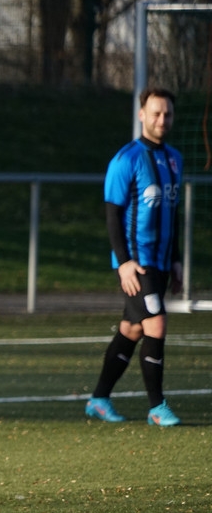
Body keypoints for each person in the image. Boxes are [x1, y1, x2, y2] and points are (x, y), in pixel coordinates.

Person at [85, 87, 183, 427]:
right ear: (142, 115)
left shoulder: (174, 159)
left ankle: (99, 399)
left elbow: (173, 212)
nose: (162, 120)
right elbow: (113, 215)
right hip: (136, 263)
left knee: (132, 329)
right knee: (156, 323)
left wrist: (176, 259)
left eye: (167, 114)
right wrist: (124, 262)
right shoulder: (126, 159)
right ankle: (157, 407)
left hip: (161, 261)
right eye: (156, 113)